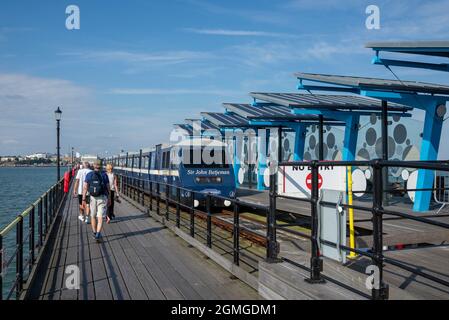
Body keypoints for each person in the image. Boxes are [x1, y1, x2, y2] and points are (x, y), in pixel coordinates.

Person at [82, 160, 110, 241]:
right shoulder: (104, 174)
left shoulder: (89, 174)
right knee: (100, 217)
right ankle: (98, 234)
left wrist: (83, 199)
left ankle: (94, 232)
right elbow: (108, 188)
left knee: (93, 216)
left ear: (93, 165)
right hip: (102, 197)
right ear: (101, 166)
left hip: (92, 198)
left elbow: (85, 187)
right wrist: (110, 198)